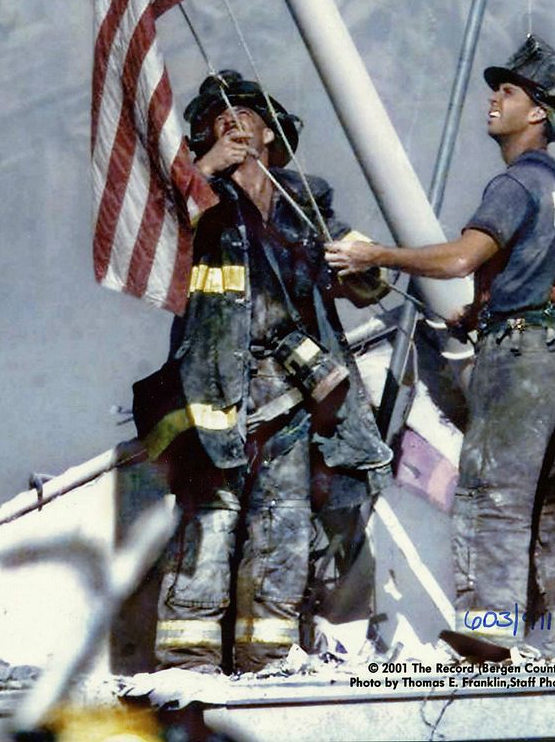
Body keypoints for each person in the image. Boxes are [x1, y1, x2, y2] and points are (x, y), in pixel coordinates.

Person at [325, 35, 555, 659]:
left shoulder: (514, 184)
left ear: (537, 112)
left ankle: (490, 631)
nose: (493, 99)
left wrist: (373, 254)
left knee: (493, 493)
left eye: (507, 91)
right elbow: (546, 270)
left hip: (523, 358)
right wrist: (481, 310)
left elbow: (459, 258)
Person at [135, 71, 392, 674]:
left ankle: (268, 659)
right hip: (209, 390)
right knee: (210, 523)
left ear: (272, 133)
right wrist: (201, 171)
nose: (231, 120)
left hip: (292, 396)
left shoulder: (308, 203)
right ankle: (187, 664)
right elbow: (151, 238)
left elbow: (365, 286)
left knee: (284, 528)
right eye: (218, 118)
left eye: (245, 112)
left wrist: (360, 269)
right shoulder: (192, 201)